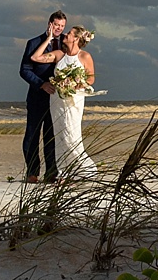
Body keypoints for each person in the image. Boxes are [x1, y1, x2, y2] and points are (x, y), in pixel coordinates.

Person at [19, 11, 68, 182]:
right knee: (32, 136)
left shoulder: (66, 44)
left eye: (62, 26)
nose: (59, 29)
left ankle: (51, 173)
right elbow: (24, 70)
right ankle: (32, 172)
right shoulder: (34, 43)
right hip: (37, 97)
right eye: (56, 25)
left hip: (57, 98)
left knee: (51, 136)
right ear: (49, 24)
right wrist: (42, 84)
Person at [48, 25, 98, 179]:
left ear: (76, 38)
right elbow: (35, 58)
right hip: (57, 100)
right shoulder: (60, 54)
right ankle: (63, 173)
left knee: (72, 134)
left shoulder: (85, 57)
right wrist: (49, 38)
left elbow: (91, 78)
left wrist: (77, 83)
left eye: (69, 33)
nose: (65, 34)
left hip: (74, 100)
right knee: (60, 134)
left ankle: (85, 170)